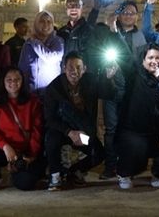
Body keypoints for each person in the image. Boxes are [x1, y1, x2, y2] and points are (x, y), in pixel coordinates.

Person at [43, 50, 123, 190]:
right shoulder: (54, 88)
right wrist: (69, 132)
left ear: (84, 68)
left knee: (98, 153)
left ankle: (74, 172)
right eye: (70, 68)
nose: (75, 71)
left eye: (79, 67)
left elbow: (108, 94)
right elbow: (49, 119)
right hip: (63, 132)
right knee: (51, 140)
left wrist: (109, 78)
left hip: (83, 134)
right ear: (64, 68)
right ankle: (55, 175)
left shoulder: (90, 81)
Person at [115, 45, 159, 190]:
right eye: (150, 57)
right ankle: (124, 173)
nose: (154, 61)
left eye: (158, 58)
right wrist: (114, 31)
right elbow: (125, 55)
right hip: (134, 131)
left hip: (157, 131)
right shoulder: (134, 76)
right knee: (137, 146)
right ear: (143, 61)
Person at [100, 0, 147, 178]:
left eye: (132, 13)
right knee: (110, 128)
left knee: (128, 127)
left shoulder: (140, 36)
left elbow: (138, 62)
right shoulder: (110, 31)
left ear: (137, 17)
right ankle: (110, 165)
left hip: (132, 88)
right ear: (119, 15)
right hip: (111, 87)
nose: (129, 16)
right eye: (125, 12)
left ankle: (127, 164)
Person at [0, 66, 45, 191]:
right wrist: (5, 146)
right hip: (3, 150)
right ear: (3, 81)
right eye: (9, 79)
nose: (13, 82)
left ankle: (16, 172)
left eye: (17, 79)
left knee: (26, 183)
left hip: (25, 152)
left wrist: (31, 155)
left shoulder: (33, 102)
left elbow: (37, 130)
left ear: (23, 81)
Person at [18, 10, 64, 93]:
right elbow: (23, 69)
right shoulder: (28, 44)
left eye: (49, 21)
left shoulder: (58, 41)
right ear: (36, 23)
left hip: (52, 93)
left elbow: (51, 58)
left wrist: (35, 41)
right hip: (32, 94)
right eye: (42, 21)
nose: (46, 24)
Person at [58, 0, 100, 68]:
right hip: (64, 75)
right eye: (70, 5)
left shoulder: (89, 31)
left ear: (82, 8)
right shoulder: (61, 32)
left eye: (77, 5)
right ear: (66, 9)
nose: (73, 8)